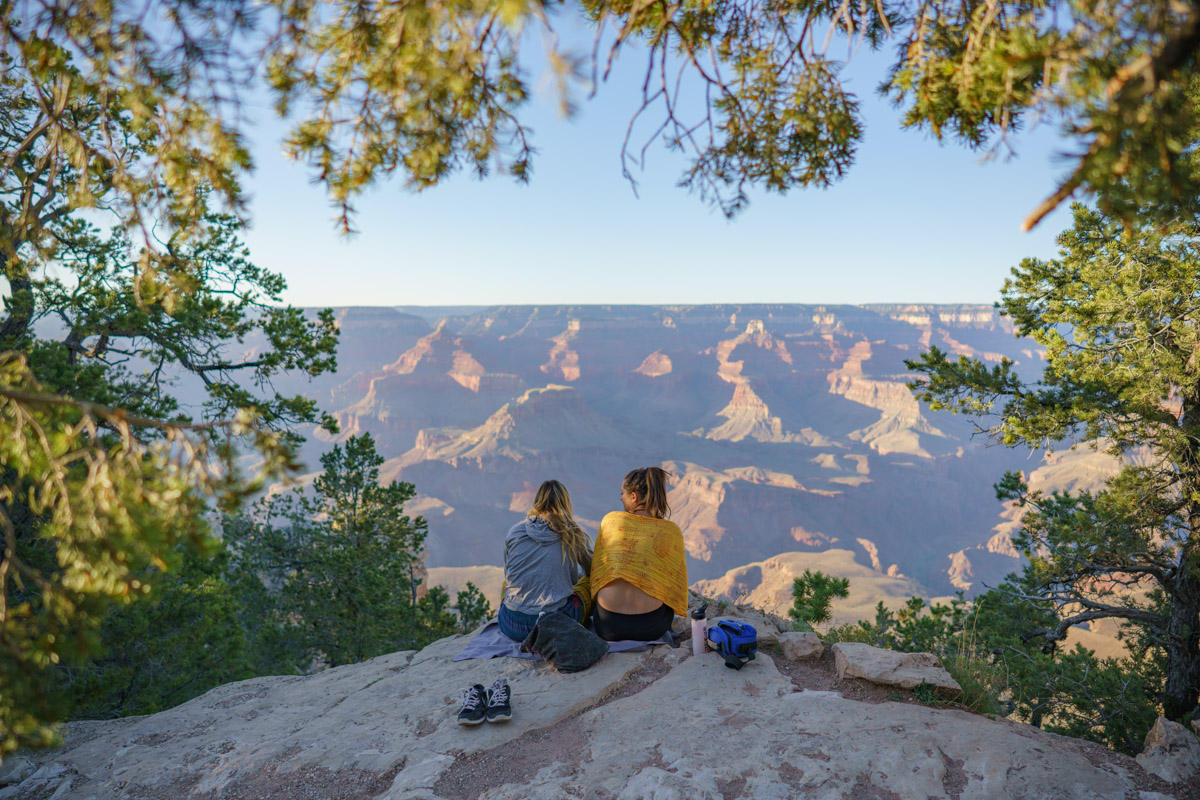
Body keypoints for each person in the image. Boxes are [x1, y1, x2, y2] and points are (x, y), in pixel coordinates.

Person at [579, 466, 688, 642]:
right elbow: (676, 585)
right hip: (651, 628)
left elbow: (599, 571)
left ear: (634, 497)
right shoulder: (671, 532)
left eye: (622, 494)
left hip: (608, 626)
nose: (621, 498)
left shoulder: (611, 520)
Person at [497, 480, 593, 642]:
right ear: (566, 503)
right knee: (589, 583)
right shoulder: (572, 534)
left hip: (513, 625)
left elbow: (509, 573)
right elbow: (592, 569)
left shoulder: (515, 531)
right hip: (557, 625)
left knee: (506, 584)